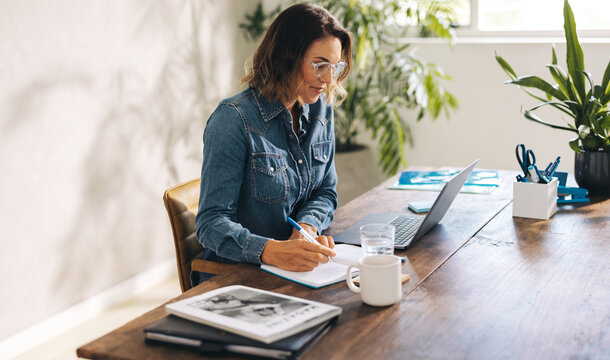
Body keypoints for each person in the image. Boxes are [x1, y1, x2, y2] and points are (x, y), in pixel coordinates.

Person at [193, 3, 352, 285]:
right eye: (319, 65)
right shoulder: (234, 120)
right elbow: (211, 224)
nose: (328, 79)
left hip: (295, 272)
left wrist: (306, 228)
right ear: (286, 58)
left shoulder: (321, 109)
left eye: (335, 66)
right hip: (238, 277)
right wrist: (271, 250)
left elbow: (326, 192)